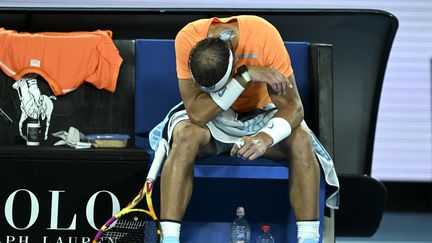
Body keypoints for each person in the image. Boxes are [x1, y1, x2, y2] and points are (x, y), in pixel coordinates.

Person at [149, 15, 339, 243]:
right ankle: (169, 239)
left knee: (301, 140)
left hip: (260, 115)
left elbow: (294, 108)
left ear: (233, 63)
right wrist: (245, 76)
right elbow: (197, 114)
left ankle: (308, 239)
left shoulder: (264, 36)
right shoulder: (187, 37)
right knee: (184, 135)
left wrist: (265, 138)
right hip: (212, 118)